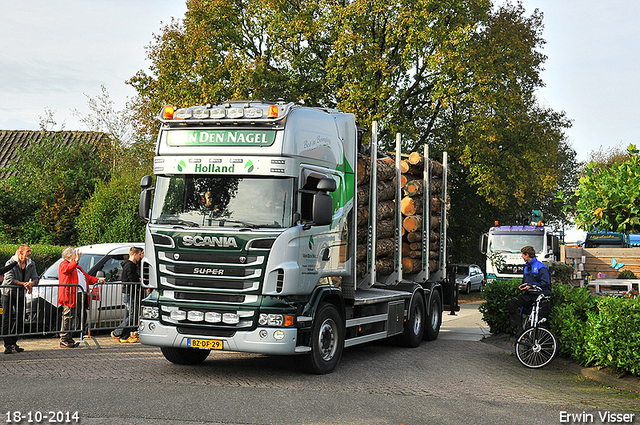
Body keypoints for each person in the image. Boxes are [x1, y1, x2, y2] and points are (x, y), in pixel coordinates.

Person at [58, 247, 105, 348]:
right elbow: (67, 270)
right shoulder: (64, 264)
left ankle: (70, 337)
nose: (78, 257)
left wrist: (97, 280)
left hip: (80, 294)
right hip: (70, 294)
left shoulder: (77, 267)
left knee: (77, 316)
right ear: (71, 256)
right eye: (75, 255)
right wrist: (75, 262)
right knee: (68, 316)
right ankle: (64, 338)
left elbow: (86, 277)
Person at [507, 246, 552, 337]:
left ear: (527, 255)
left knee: (539, 322)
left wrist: (531, 286)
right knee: (511, 303)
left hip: (540, 295)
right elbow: (526, 281)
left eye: (522, 255)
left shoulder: (541, 267)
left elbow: (546, 283)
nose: (522, 257)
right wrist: (523, 286)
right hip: (529, 295)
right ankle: (519, 329)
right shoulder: (527, 267)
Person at [2, 245, 38, 354]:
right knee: (7, 318)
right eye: (28, 251)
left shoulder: (31, 263)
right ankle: (7, 344)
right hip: (8, 293)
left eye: (30, 251)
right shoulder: (10, 263)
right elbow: (9, 280)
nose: (30, 253)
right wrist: (24, 284)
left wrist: (31, 283)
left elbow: (36, 278)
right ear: (20, 253)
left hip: (20, 293)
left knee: (19, 318)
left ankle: (13, 342)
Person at [111, 246, 143, 343]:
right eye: (139, 254)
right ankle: (117, 332)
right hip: (129, 292)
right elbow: (132, 278)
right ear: (135, 254)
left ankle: (124, 336)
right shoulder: (130, 265)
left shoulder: (130, 264)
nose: (140, 257)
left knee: (128, 314)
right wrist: (139, 280)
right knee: (132, 314)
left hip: (129, 292)